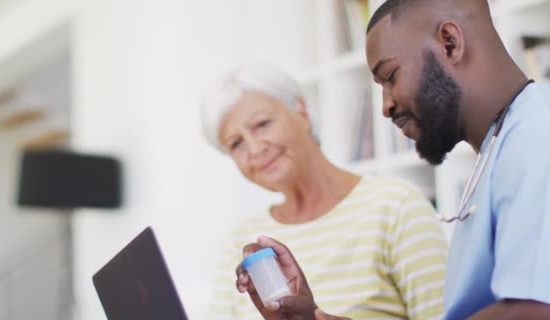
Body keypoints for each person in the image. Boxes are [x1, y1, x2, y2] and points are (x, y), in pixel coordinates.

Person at [235, 0, 550, 319]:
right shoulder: (502, 148)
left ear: (449, 44)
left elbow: (534, 312)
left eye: (390, 76)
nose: (385, 106)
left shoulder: (538, 135)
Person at [201, 63, 448, 320]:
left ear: (303, 112)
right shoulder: (239, 243)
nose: (253, 149)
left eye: (261, 124)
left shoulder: (396, 206)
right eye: (236, 144)